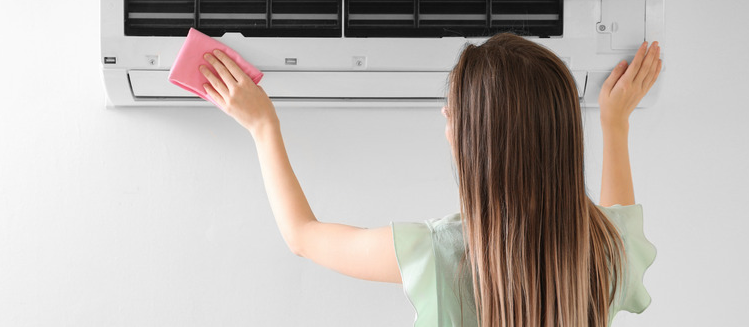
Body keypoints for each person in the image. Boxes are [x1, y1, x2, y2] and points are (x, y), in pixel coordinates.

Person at [198, 32, 659, 327]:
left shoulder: (440, 254)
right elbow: (618, 216)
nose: (445, 113)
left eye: (454, 111)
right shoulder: (609, 248)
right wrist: (615, 124)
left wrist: (263, 127)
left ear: (478, 145)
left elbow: (303, 236)